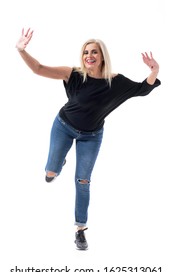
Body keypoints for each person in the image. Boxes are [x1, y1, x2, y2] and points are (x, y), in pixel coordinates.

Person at [16, 28, 161, 250]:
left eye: (94, 52)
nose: (89, 56)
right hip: (63, 127)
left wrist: (154, 70)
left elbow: (143, 89)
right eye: (85, 52)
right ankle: (56, 165)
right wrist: (21, 50)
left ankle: (80, 230)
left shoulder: (116, 82)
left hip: (91, 137)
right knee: (51, 171)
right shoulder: (72, 74)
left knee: (83, 181)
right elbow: (38, 69)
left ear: (102, 55)